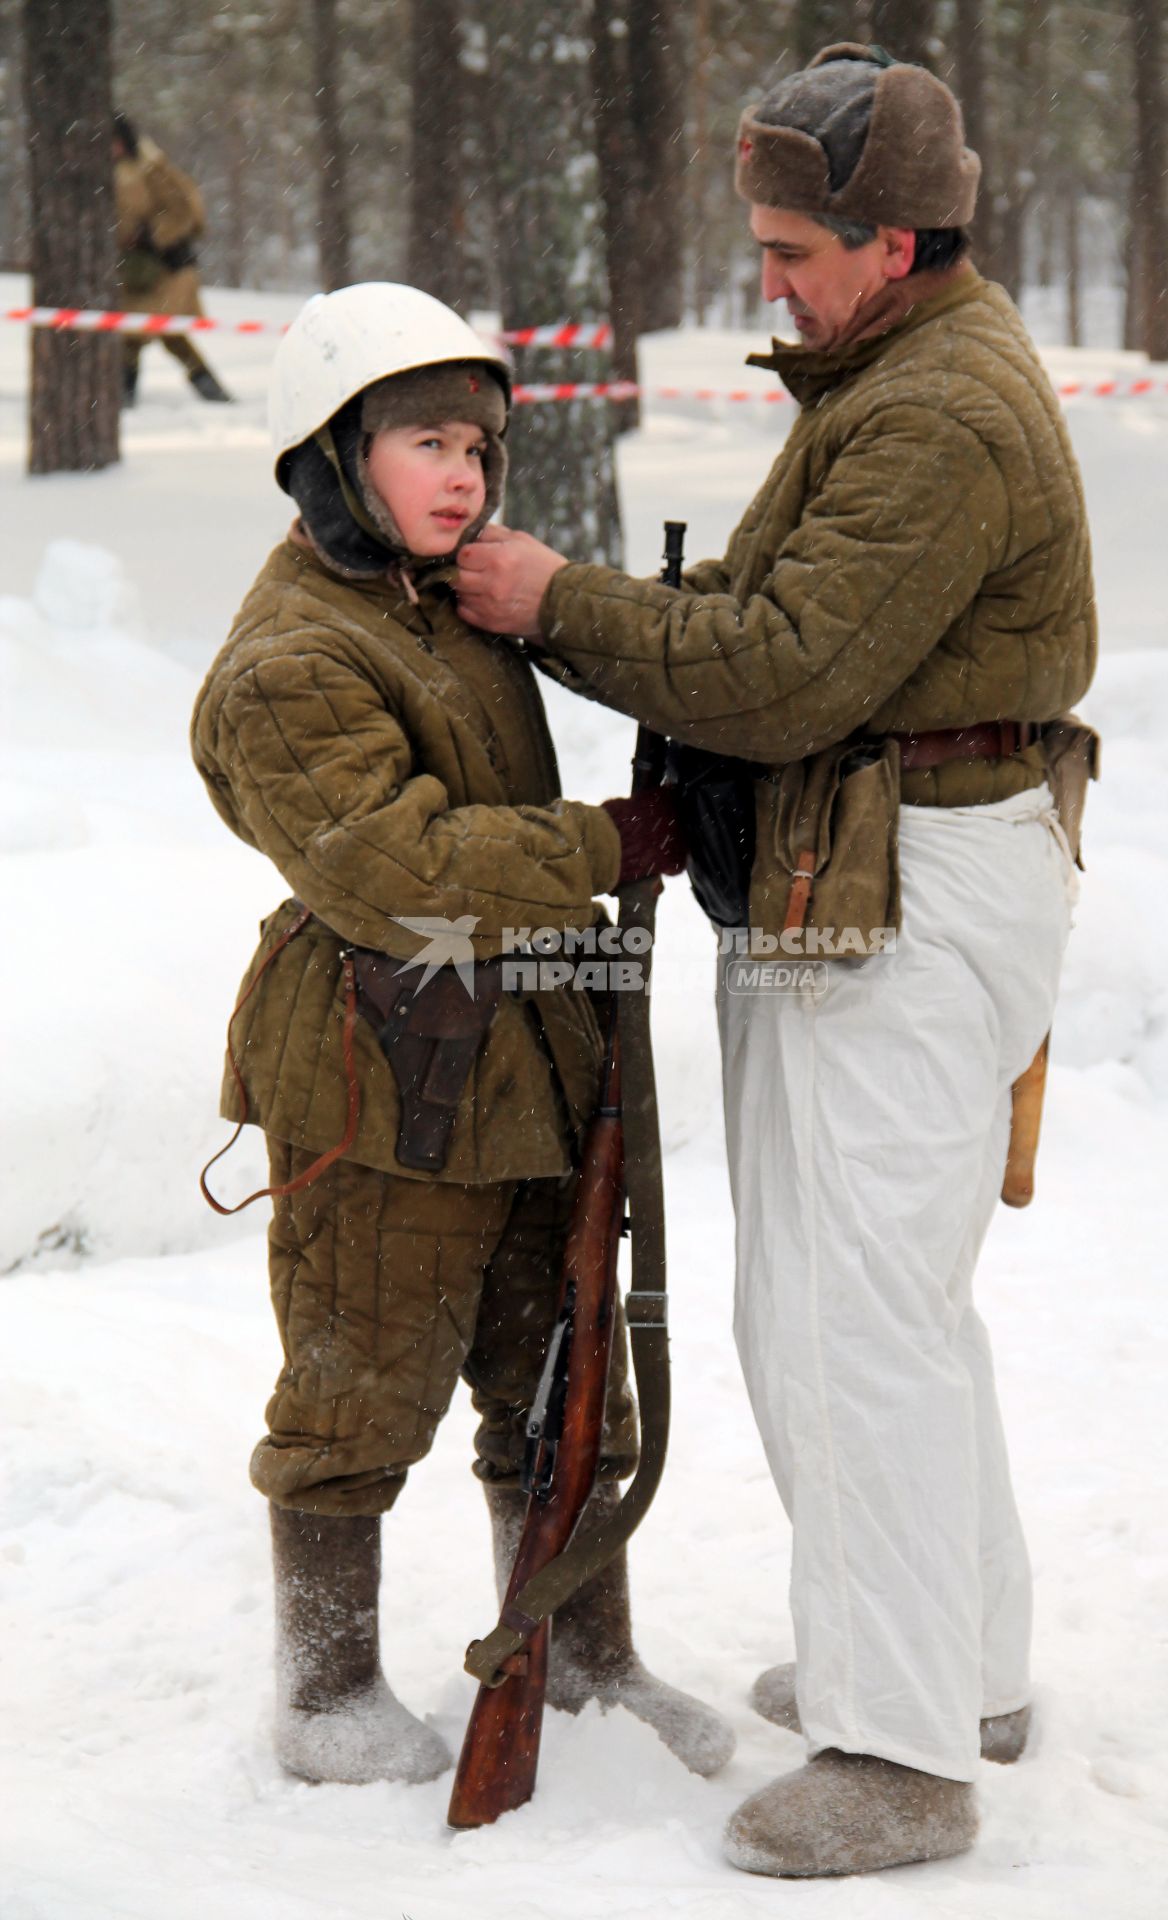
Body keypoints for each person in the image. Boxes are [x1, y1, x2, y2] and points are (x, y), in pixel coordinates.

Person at [454, 43, 1097, 1878]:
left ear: (891, 243)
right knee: (871, 1304)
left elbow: (793, 665)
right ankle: (953, 1668)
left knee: (854, 1320)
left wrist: (557, 605)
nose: (770, 278)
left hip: (905, 888)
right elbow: (779, 630)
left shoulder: (933, 411)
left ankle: (899, 1756)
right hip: (871, 871)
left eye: (794, 247)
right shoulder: (892, 364)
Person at [190, 281, 731, 1787]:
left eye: (481, 447)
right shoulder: (294, 661)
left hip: (530, 1060)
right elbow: (398, 864)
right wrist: (599, 845)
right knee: (360, 1378)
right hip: (386, 1070)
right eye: (427, 442)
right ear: (333, 457)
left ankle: (584, 1659)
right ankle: (326, 1690)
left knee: (563, 1380)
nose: (465, 476)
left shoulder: (445, 598)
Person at [112, 112, 233, 406]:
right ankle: (209, 388)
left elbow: (185, 212)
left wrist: (151, 236)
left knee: (138, 332)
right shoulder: (115, 171)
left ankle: (124, 396)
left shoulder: (152, 170)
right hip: (139, 271)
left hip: (169, 268)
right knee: (166, 334)